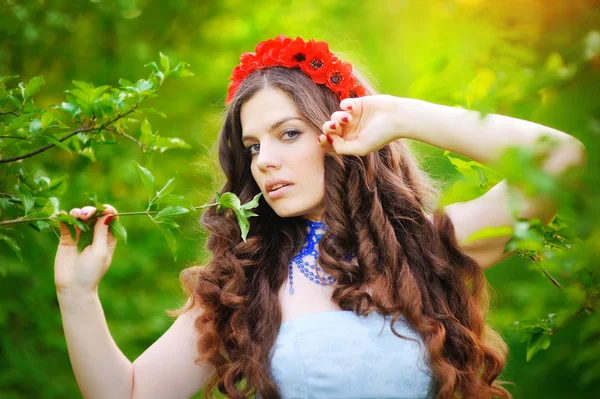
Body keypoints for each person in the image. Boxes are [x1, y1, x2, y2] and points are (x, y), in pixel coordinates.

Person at [54, 34, 587, 399]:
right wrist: (77, 295)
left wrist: (400, 116)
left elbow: (559, 160)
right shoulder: (244, 285)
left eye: (288, 133)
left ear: (338, 133)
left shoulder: (430, 248)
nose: (264, 159)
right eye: (252, 145)